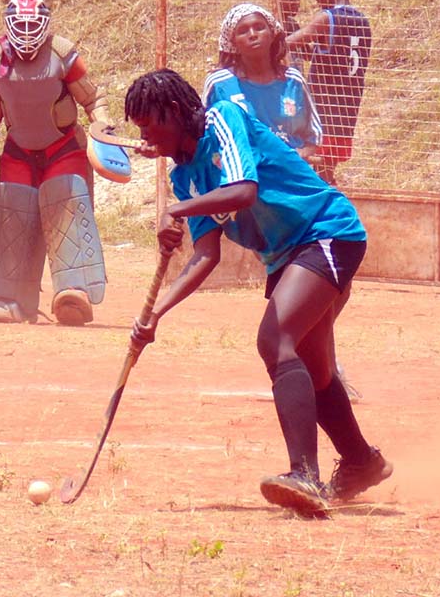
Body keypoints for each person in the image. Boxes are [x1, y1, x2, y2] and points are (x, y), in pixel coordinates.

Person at [123, 69, 393, 515]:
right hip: (288, 256)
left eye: (150, 125)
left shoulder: (223, 118)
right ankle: (362, 461)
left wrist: (177, 210)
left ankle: (304, 474)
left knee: (275, 340)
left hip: (325, 230)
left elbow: (244, 191)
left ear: (173, 112)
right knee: (314, 368)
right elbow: (204, 256)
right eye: (140, 131)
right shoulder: (184, 176)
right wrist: (156, 314)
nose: (146, 138)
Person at [0, 0, 119, 326]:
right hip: (18, 151)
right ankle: (10, 299)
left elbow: (92, 98)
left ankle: (73, 293)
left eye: (33, 24)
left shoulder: (63, 54)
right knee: (12, 215)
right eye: (21, 24)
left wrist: (103, 127)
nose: (27, 31)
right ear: (9, 25)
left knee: (67, 205)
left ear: (45, 24)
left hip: (63, 148)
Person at [203, 3, 322, 164]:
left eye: (259, 27)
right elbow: (204, 137)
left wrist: (300, 155)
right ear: (233, 42)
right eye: (243, 31)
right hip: (244, 177)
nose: (252, 34)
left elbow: (313, 134)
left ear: (272, 34)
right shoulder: (219, 84)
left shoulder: (293, 80)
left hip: (290, 174)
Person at [287, 0, 372, 175]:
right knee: (327, 167)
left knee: (308, 164)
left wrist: (273, 40)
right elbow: (333, 54)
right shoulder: (362, 21)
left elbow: (289, 43)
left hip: (324, 105)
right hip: (348, 105)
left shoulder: (327, 18)